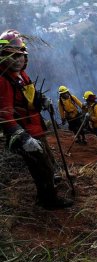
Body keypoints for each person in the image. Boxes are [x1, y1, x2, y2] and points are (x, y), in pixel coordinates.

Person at [0, 29, 73, 210]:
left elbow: (29, 95)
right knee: (40, 167)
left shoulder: (21, 76)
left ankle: (50, 180)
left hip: (35, 127)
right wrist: (23, 139)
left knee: (47, 158)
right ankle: (48, 199)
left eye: (21, 55)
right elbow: (4, 115)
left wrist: (42, 100)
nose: (19, 60)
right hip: (24, 132)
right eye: (13, 56)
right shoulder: (3, 81)